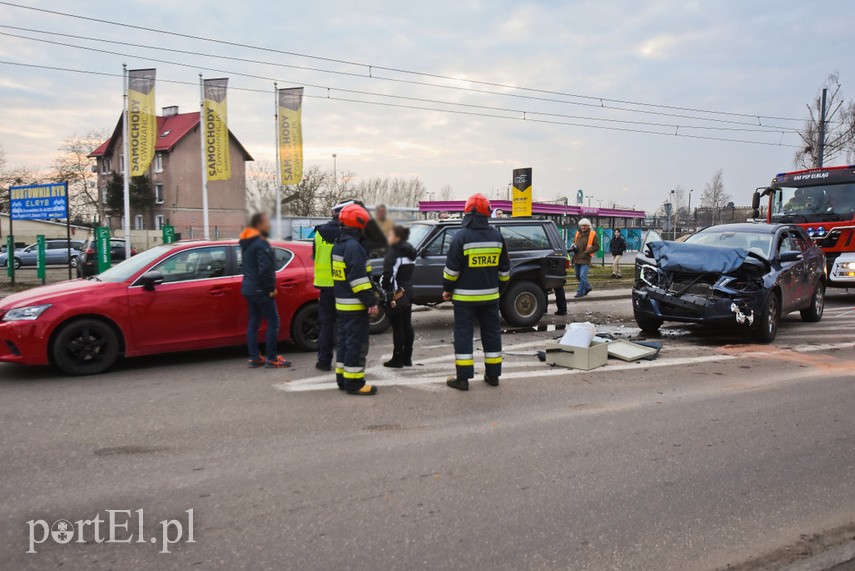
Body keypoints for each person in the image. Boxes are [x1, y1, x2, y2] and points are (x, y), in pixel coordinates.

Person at [442, 193, 510, 391]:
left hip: (464, 299)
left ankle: (462, 379)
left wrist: (447, 289)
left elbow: (451, 271)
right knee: (492, 334)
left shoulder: (460, 237)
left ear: (468, 213)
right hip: (490, 298)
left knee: (464, 335)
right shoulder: (497, 236)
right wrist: (499, 290)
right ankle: (493, 375)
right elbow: (505, 271)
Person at [333, 203, 380, 396]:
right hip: (354, 304)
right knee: (357, 343)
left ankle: (343, 378)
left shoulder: (340, 244)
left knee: (345, 341)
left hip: (342, 303)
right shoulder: (354, 247)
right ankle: (355, 383)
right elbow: (358, 280)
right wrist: (371, 302)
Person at [240, 213, 290, 368]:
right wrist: (270, 289)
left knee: (253, 323)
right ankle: (272, 358)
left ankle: (254, 357)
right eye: (267, 222)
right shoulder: (261, 244)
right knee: (274, 321)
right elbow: (265, 269)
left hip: (249, 288)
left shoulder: (247, 243)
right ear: (259, 225)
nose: (269, 225)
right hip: (261, 289)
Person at [312, 202, 349, 372]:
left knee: (326, 325)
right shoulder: (346, 234)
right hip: (342, 284)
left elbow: (314, 256)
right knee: (344, 324)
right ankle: (344, 361)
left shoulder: (319, 233)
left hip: (324, 285)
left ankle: (324, 361)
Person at [380, 225, 418, 368]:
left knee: (398, 327)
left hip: (396, 293)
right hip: (408, 291)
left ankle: (397, 359)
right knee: (407, 325)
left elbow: (388, 275)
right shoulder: (410, 250)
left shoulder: (394, 252)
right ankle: (407, 358)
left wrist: (386, 291)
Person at [570, 218, 599, 298]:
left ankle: (580, 292)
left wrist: (587, 252)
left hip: (586, 258)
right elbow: (574, 242)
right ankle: (587, 287)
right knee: (578, 276)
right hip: (577, 257)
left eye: (584, 226)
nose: (583, 227)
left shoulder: (593, 234)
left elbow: (596, 246)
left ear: (588, 226)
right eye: (581, 226)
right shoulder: (577, 233)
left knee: (583, 276)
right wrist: (573, 245)